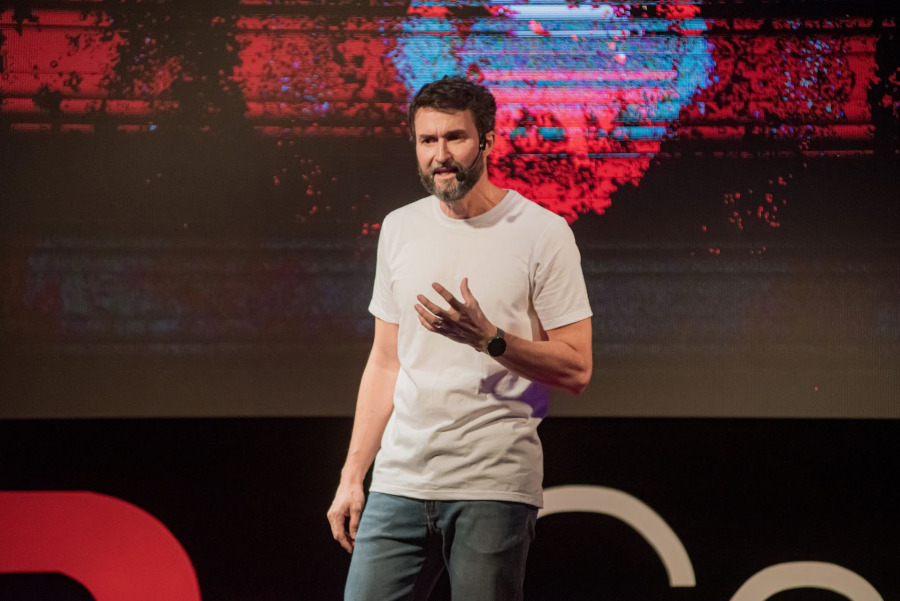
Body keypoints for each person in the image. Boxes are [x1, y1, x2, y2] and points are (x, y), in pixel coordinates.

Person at [326, 75, 593, 601]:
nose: (441, 156)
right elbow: (385, 363)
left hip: (491, 483)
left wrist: (490, 339)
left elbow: (577, 369)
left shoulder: (542, 233)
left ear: (488, 141)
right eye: (428, 141)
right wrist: (353, 474)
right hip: (400, 480)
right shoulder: (400, 228)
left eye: (456, 138)